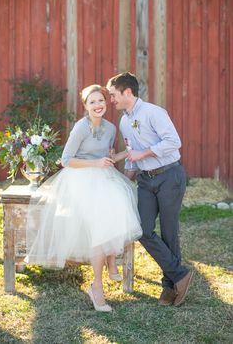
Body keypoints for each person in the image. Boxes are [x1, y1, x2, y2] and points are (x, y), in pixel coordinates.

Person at [24, 84, 142, 312]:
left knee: (121, 206)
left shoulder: (110, 128)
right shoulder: (80, 127)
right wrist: (95, 163)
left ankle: (110, 258)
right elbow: (66, 160)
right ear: (86, 106)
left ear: (106, 103)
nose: (98, 105)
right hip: (79, 179)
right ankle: (97, 287)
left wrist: (125, 153)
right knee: (98, 226)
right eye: (92, 102)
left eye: (101, 101)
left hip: (103, 177)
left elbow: (107, 157)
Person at [106, 72, 194, 306]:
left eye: (113, 95)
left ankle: (170, 286)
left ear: (127, 92)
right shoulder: (124, 121)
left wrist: (143, 153)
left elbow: (174, 142)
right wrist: (124, 182)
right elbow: (132, 158)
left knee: (168, 231)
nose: (110, 100)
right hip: (145, 181)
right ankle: (180, 274)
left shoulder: (154, 112)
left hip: (169, 176)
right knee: (142, 230)